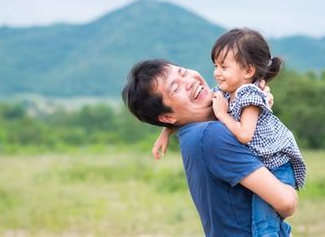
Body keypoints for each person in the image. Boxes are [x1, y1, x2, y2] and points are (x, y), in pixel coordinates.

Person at [152, 28, 306, 237]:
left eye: (224, 67)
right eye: (216, 66)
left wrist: (224, 114)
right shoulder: (221, 100)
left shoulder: (249, 95)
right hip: (268, 162)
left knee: (265, 224)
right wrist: (166, 131)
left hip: (277, 162)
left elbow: (244, 135)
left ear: (248, 71)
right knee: (265, 224)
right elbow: (286, 203)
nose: (216, 73)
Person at [122, 59, 298, 236]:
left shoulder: (194, 133)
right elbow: (286, 203)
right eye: (175, 88)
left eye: (183, 72)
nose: (189, 82)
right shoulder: (211, 134)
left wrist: (253, 103)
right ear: (167, 117)